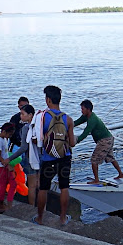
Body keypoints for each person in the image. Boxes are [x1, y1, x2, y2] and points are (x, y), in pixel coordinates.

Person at [34, 85, 76, 226]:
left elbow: (38, 140)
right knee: (64, 187)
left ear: (48, 100)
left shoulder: (42, 117)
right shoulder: (68, 119)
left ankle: (40, 218)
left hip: (48, 158)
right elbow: (72, 142)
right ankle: (63, 218)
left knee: (43, 188)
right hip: (65, 158)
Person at [74, 99, 123, 184]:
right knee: (110, 157)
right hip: (109, 139)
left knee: (94, 160)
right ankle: (121, 174)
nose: (81, 110)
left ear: (88, 109)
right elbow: (76, 122)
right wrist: (66, 125)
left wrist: (76, 141)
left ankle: (96, 179)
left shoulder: (92, 119)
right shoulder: (86, 116)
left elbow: (86, 132)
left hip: (105, 141)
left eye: (83, 109)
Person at [3, 104, 39, 206]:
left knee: (31, 186)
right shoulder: (39, 126)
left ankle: (32, 208)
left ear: (30, 115)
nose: (21, 116)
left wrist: (10, 158)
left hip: (30, 159)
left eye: (23, 114)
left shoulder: (26, 128)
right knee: (40, 185)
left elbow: (23, 148)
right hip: (40, 158)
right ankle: (42, 209)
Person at [0, 122, 17, 212]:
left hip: (5, 166)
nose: (10, 136)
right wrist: (7, 165)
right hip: (1, 167)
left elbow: (5, 154)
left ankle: (9, 203)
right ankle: (0, 204)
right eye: (9, 134)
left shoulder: (4, 139)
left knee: (13, 184)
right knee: (3, 185)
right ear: (4, 131)